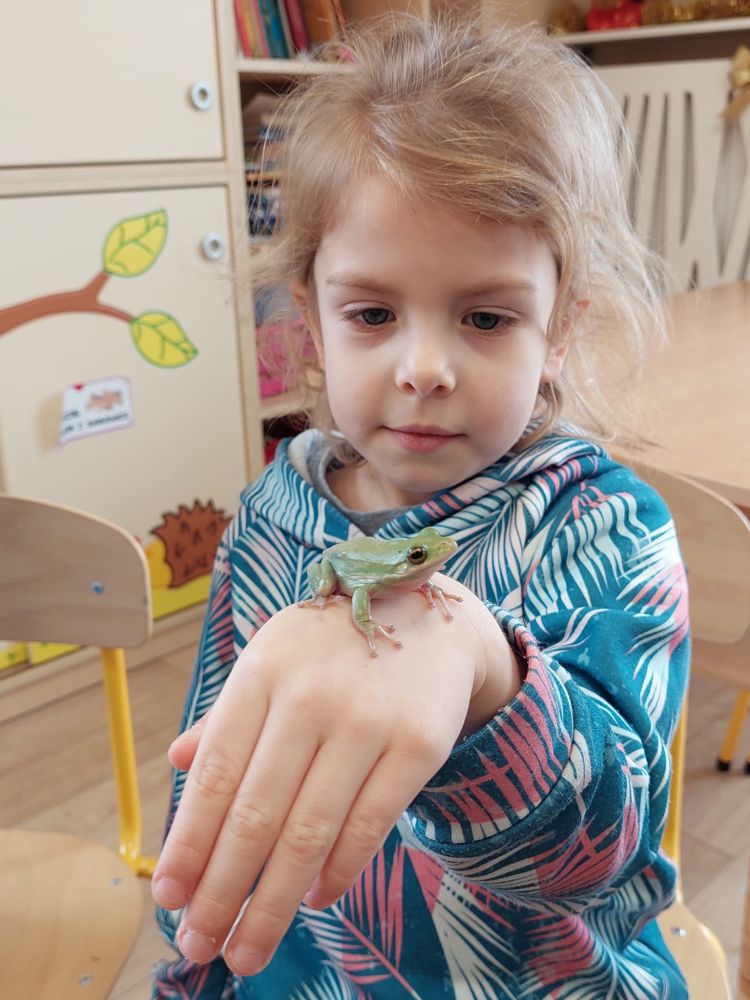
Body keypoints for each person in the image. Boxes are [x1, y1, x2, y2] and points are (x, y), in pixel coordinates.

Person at [151, 13, 690, 999]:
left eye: (485, 316)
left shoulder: (604, 527)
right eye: (373, 313)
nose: (426, 367)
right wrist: (196, 963)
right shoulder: (270, 517)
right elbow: (215, 783)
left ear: (558, 331)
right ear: (312, 321)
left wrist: (487, 675)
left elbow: (606, 849)